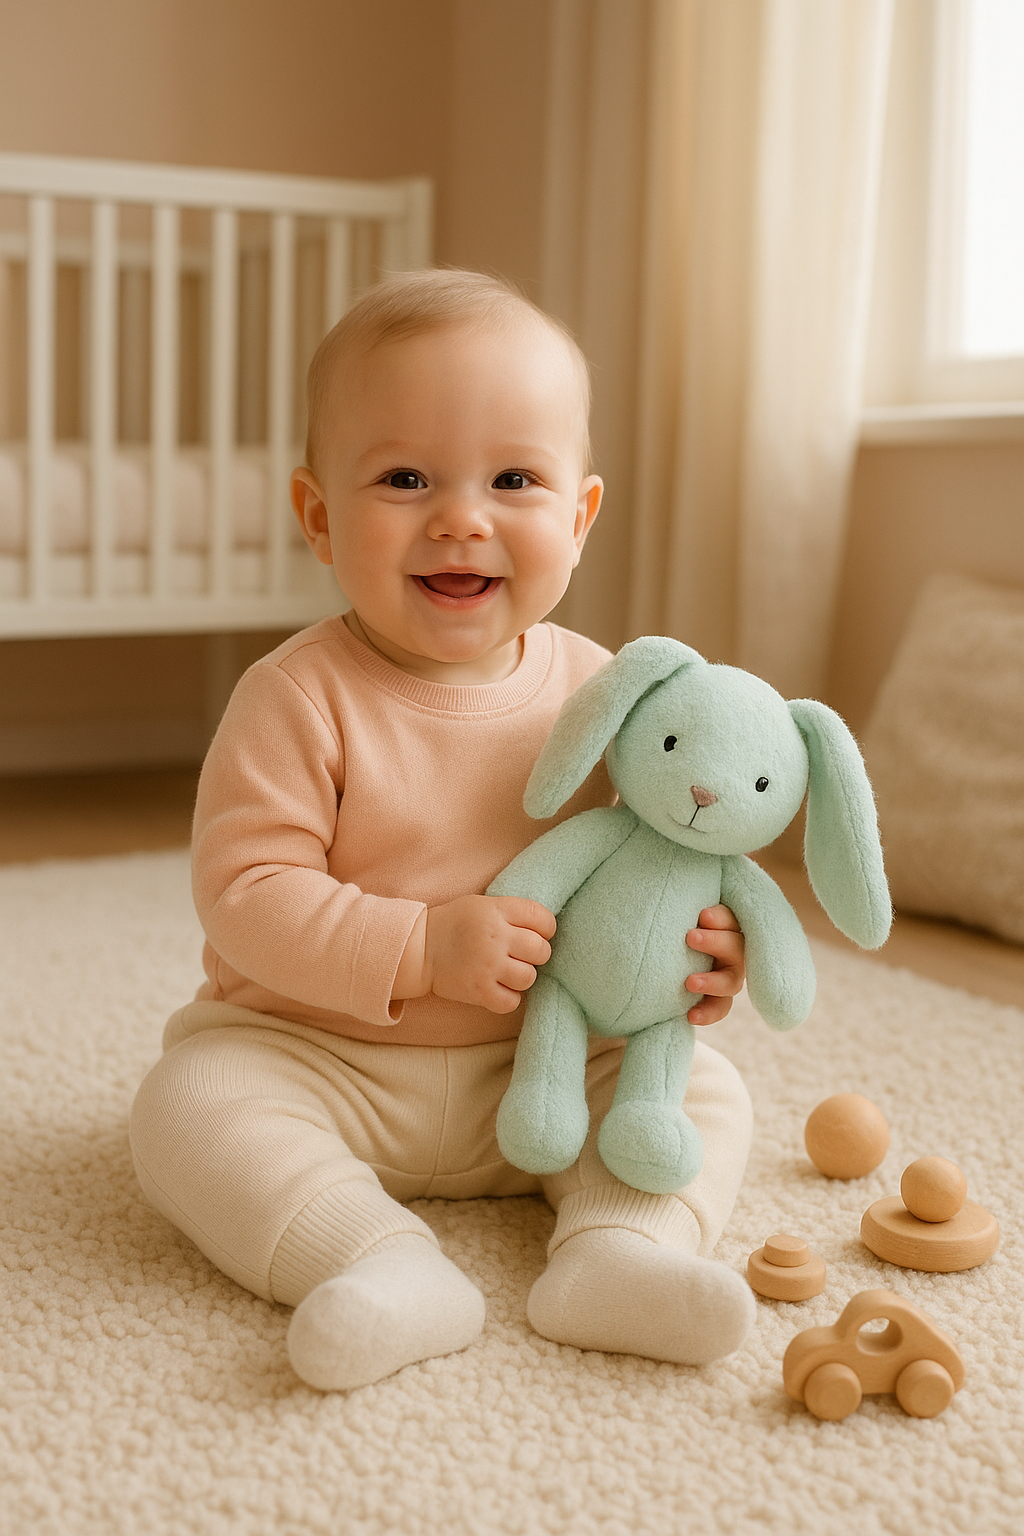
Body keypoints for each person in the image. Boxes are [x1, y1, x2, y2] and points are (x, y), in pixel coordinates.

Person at [129, 269, 756, 1393]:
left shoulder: (608, 694)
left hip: (549, 1060)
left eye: (514, 478)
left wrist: (704, 952)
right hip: (325, 1057)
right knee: (186, 1110)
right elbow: (247, 892)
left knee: (705, 1087)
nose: (461, 517)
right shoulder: (295, 695)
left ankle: (619, 1253)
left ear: (578, 515)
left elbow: (659, 856)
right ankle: (378, 1261)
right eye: (405, 477)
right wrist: (422, 948)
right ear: (319, 517)